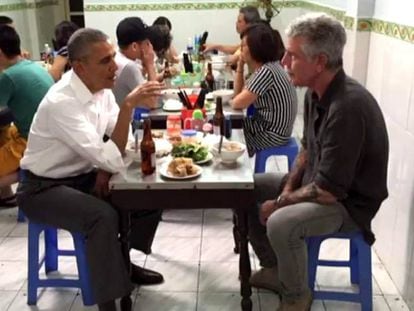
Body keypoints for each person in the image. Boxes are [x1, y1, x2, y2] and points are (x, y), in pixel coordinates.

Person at [247, 13, 389, 311]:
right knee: (247, 188)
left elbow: (328, 191)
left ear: (320, 62)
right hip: (325, 185)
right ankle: (276, 268)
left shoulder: (348, 107)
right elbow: (307, 151)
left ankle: (297, 297)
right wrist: (287, 188)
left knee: (280, 222)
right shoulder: (316, 92)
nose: (284, 62)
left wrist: (281, 204)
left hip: (350, 204)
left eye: (293, 55)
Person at [16, 28, 164, 311]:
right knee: (101, 217)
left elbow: (111, 143)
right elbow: (108, 153)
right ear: (80, 67)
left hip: (82, 175)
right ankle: (108, 303)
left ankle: (122, 263)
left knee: (147, 194)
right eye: (106, 60)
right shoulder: (62, 102)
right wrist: (128, 107)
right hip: (41, 188)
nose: (115, 66)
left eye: (113, 57)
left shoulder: (101, 90)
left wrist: (105, 170)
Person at [0, 25, 53, 207]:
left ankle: (23, 179)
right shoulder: (32, 66)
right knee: (4, 133)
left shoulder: (8, 76)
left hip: (31, 141)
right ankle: (6, 195)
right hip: (46, 137)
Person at [232, 23, 297, 156]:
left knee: (229, 132)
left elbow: (237, 102)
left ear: (255, 49)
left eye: (244, 46)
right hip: (272, 128)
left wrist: (240, 65)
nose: (240, 49)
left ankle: (238, 171)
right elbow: (238, 96)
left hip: (272, 134)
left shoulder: (266, 72)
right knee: (231, 124)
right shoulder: (268, 67)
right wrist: (240, 65)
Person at [113, 17, 171, 107]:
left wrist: (145, 68)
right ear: (134, 47)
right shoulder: (129, 67)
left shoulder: (118, 56)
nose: (150, 46)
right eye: (147, 42)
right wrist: (150, 64)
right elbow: (152, 103)